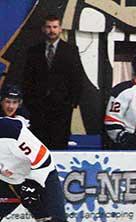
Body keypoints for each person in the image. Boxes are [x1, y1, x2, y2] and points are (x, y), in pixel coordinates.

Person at [21, 13, 82, 149]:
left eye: (55, 27)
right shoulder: (33, 51)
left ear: (60, 29)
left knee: (59, 143)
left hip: (62, 109)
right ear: (43, 29)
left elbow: (78, 78)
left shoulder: (71, 51)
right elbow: (27, 79)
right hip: (38, 108)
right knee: (38, 146)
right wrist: (30, 102)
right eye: (48, 27)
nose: (52, 30)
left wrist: (71, 103)